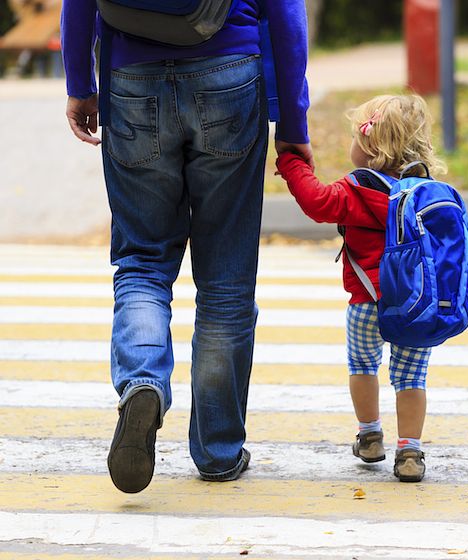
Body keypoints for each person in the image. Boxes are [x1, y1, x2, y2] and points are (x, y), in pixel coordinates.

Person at [61, 0, 312, 493]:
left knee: (142, 261)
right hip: (229, 74)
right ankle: (217, 452)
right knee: (226, 278)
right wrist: (292, 122)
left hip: (131, 76)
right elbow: (285, 13)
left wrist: (80, 85)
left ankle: (143, 382)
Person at [276, 94, 447, 483]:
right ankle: (410, 451)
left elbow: (317, 201)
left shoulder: (359, 189)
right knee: (411, 378)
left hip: (366, 303)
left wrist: (291, 164)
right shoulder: (427, 193)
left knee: (363, 366)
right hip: (417, 306)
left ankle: (370, 434)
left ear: (369, 147)